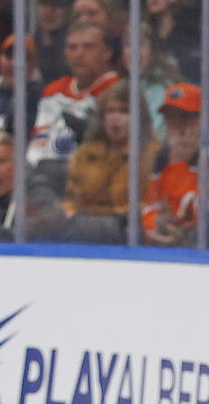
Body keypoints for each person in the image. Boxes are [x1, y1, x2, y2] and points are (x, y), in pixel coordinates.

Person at [62, 87, 155, 244]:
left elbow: (149, 205)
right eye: (110, 111)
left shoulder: (152, 154)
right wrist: (69, 214)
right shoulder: (85, 153)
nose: (115, 118)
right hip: (83, 232)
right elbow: (70, 199)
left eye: (124, 111)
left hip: (128, 235)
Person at [27, 22, 121, 166]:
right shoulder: (54, 91)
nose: (79, 54)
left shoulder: (119, 92)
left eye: (88, 47)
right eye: (72, 47)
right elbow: (37, 145)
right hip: (47, 175)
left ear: (107, 52)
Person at [142, 84, 202, 247]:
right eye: (170, 116)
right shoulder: (162, 155)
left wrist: (178, 165)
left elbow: (192, 215)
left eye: (184, 116)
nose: (177, 123)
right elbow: (151, 204)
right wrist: (155, 223)